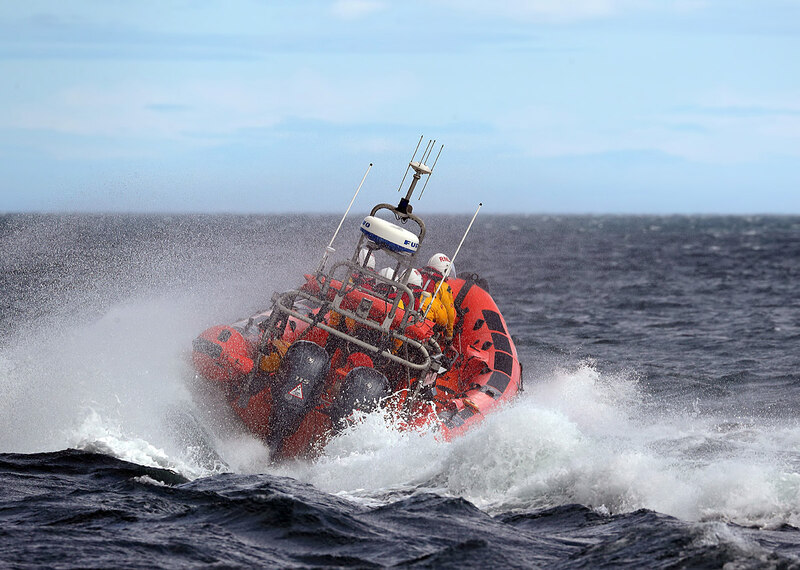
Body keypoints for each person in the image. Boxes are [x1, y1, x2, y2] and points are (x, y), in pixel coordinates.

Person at [419, 253, 456, 344]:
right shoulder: (442, 286)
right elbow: (449, 313)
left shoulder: (419, 275)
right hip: (426, 322)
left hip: (412, 312)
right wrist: (449, 336)